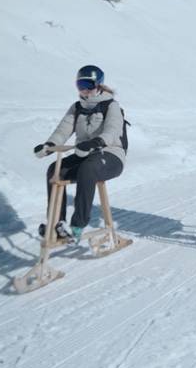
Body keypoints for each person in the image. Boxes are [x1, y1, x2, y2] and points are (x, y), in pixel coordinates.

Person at [33, 65, 126, 242]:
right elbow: (62, 131)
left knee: (88, 168)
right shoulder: (77, 107)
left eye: (88, 84)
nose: (84, 89)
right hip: (85, 153)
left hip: (111, 155)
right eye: (80, 84)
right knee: (55, 170)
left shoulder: (111, 105)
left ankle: (77, 225)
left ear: (98, 85)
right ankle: (57, 224)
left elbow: (113, 130)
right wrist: (49, 146)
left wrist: (96, 142)